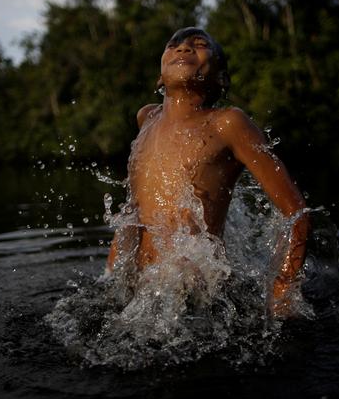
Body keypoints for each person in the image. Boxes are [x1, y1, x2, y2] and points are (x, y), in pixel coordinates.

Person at [106, 27, 309, 318]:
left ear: (222, 78)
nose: (183, 48)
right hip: (139, 293)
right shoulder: (147, 119)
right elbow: (132, 212)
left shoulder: (228, 124)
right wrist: (112, 277)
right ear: (160, 77)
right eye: (173, 44)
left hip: (198, 298)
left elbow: (296, 213)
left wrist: (281, 293)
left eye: (198, 44)